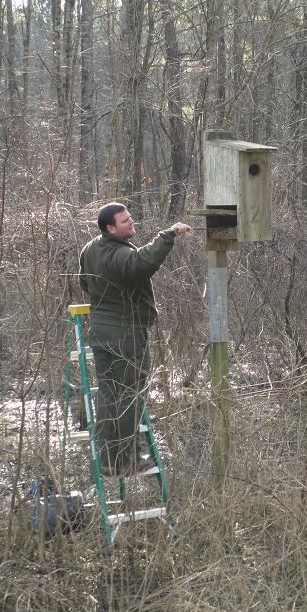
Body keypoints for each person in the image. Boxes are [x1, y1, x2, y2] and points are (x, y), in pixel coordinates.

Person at [78, 202, 191, 476]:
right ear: (110, 228)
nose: (131, 223)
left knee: (108, 393)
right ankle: (127, 459)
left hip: (100, 333)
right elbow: (143, 262)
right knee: (129, 396)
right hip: (125, 335)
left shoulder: (89, 250)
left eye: (130, 218)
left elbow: (84, 284)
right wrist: (169, 235)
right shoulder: (118, 255)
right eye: (125, 221)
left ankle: (107, 460)